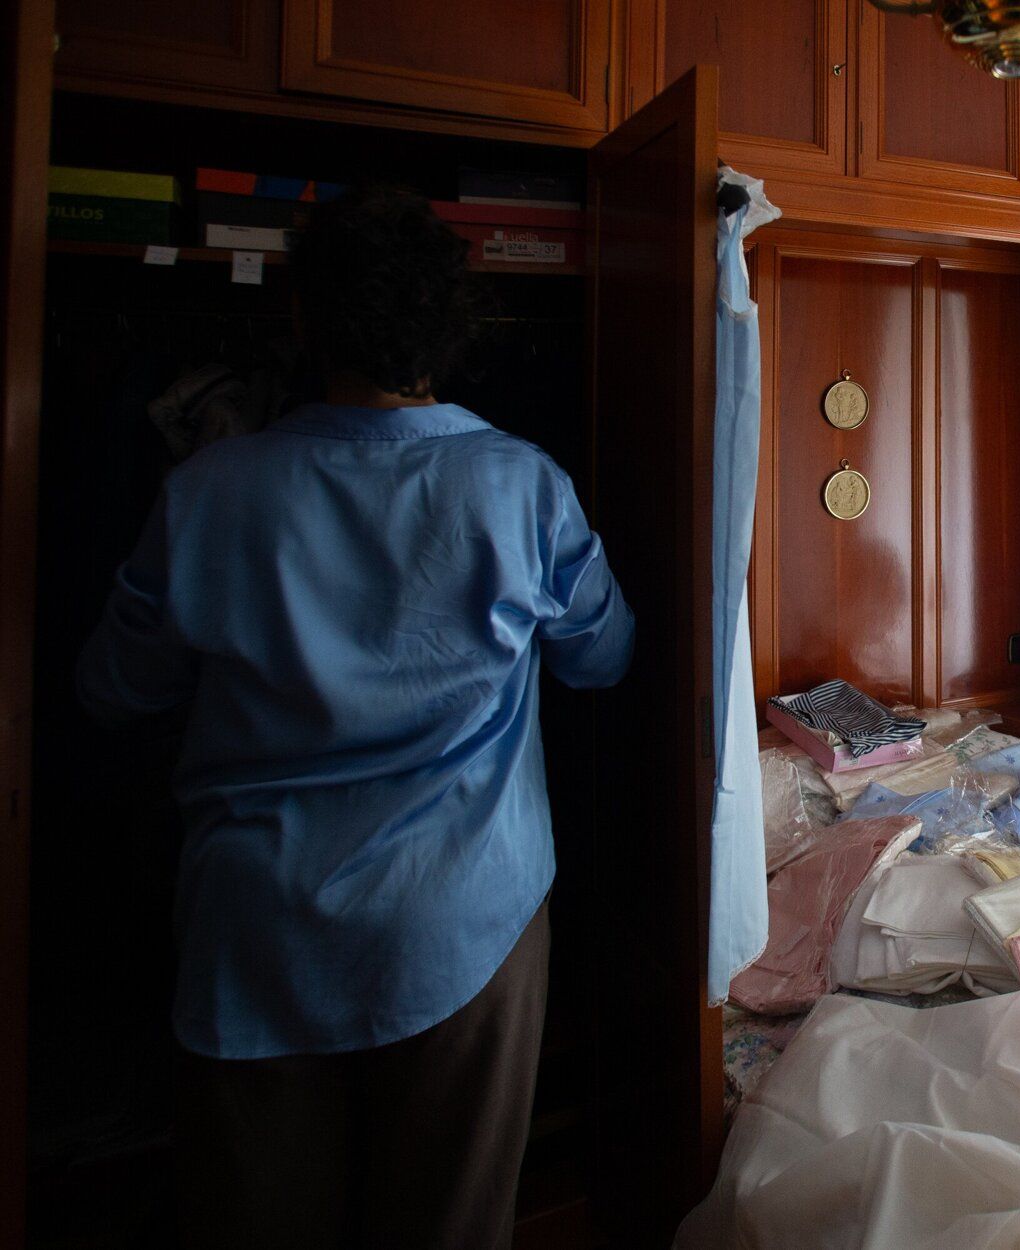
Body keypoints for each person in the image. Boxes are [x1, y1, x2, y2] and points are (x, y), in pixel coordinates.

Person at [75, 185, 633, 1250]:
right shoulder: (522, 487)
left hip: (255, 930)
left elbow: (113, 686)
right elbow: (605, 657)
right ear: (452, 330)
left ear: (302, 323)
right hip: (461, 919)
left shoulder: (208, 489)